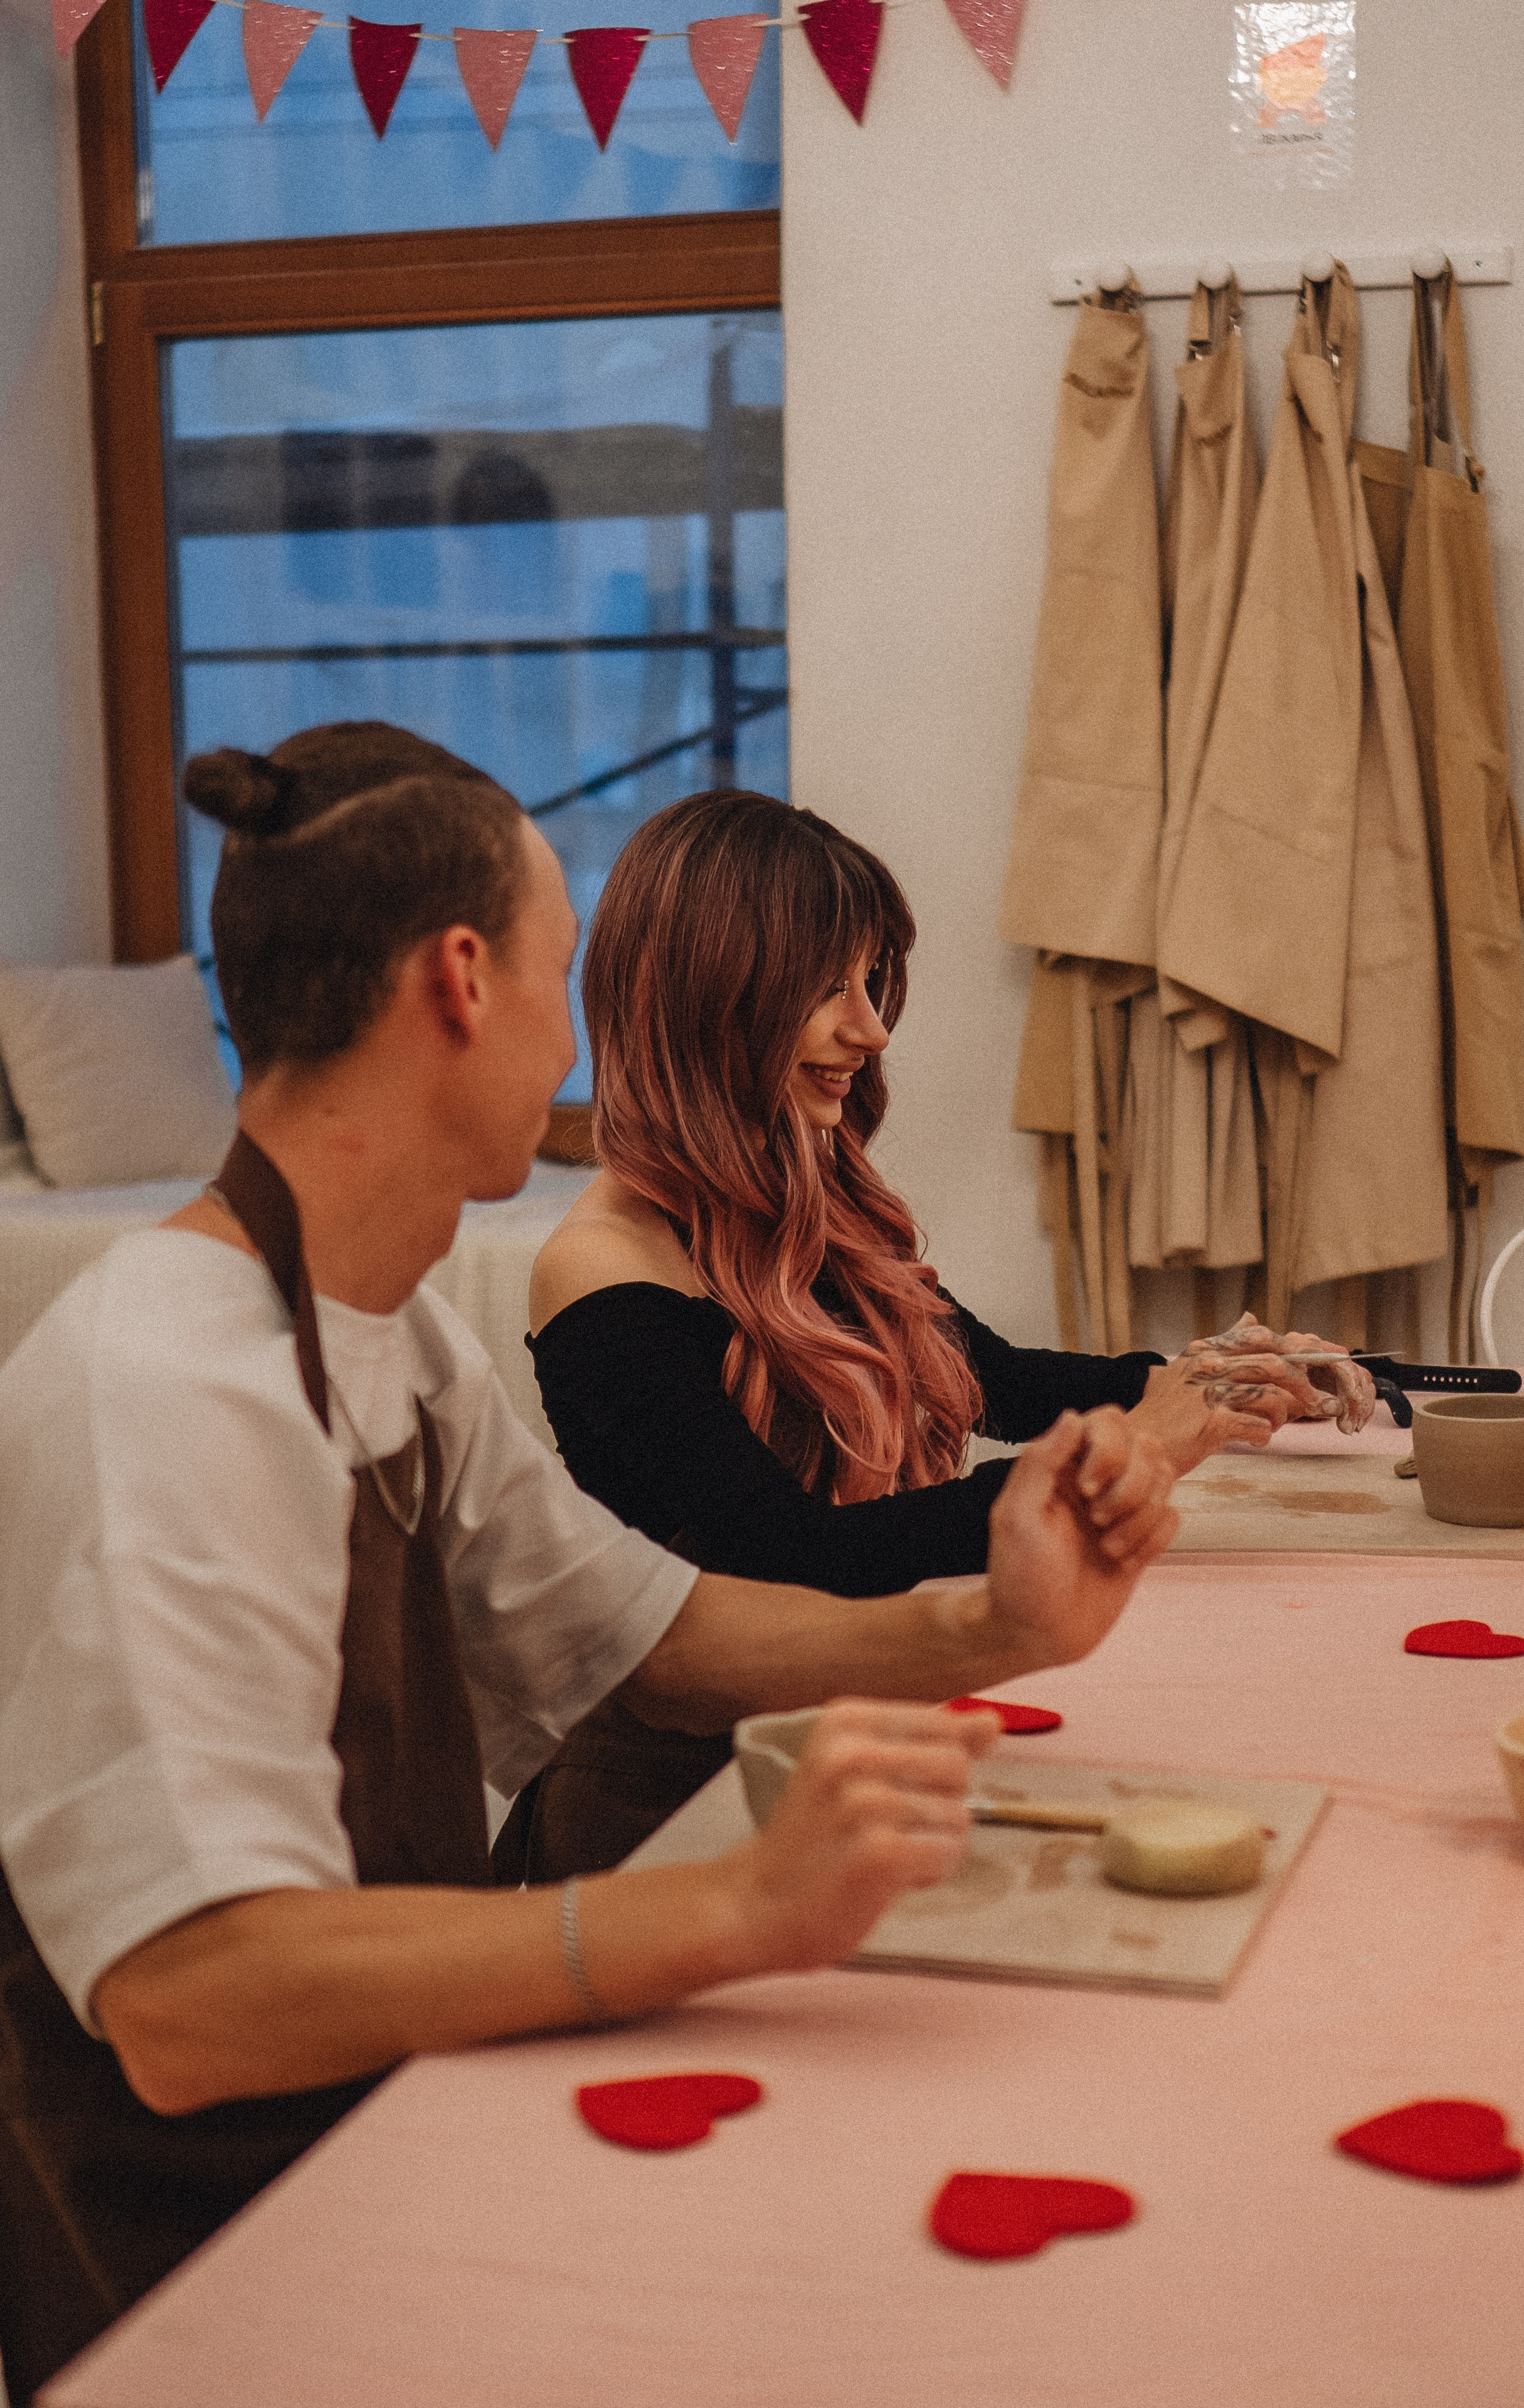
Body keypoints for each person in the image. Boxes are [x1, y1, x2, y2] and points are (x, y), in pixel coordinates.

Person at [0, 724, 1179, 2405]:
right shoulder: (164, 1389)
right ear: (465, 984)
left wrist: (991, 1618)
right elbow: (196, 2003)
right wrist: (730, 1908)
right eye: (570, 977)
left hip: (392, 2111)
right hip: (207, 2243)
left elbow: (661, 1636)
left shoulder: (389, 1341)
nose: (588, 1039)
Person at [517, 789, 1373, 1878]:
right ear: (708, 1000)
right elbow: (786, 1562)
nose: (870, 1030)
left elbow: (995, 1380)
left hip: (839, 1755)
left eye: (871, 984)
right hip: (668, 1818)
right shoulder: (600, 1267)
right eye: (827, 988)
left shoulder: (800, 1203)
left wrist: (1202, 1377)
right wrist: (1128, 1454)